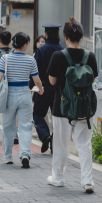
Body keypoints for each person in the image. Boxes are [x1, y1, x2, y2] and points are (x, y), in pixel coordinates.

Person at [47, 17, 97, 193]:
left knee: (60, 143)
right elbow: (94, 79)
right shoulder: (89, 56)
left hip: (62, 107)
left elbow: (52, 82)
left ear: (65, 36)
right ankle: (87, 181)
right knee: (84, 144)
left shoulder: (58, 56)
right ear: (81, 37)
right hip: (84, 106)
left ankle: (58, 177)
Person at [0, 32, 44, 168]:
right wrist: (41, 89)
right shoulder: (30, 60)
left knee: (8, 127)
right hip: (24, 94)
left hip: (8, 95)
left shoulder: (5, 58)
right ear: (25, 45)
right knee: (26, 127)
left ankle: (8, 157)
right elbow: (36, 80)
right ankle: (25, 154)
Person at [33, 24, 64, 153]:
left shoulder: (41, 50)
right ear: (58, 35)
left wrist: (33, 87)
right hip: (59, 89)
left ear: (46, 35)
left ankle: (45, 136)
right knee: (57, 117)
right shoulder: (63, 50)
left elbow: (35, 71)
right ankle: (54, 143)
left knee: (38, 114)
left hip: (43, 87)